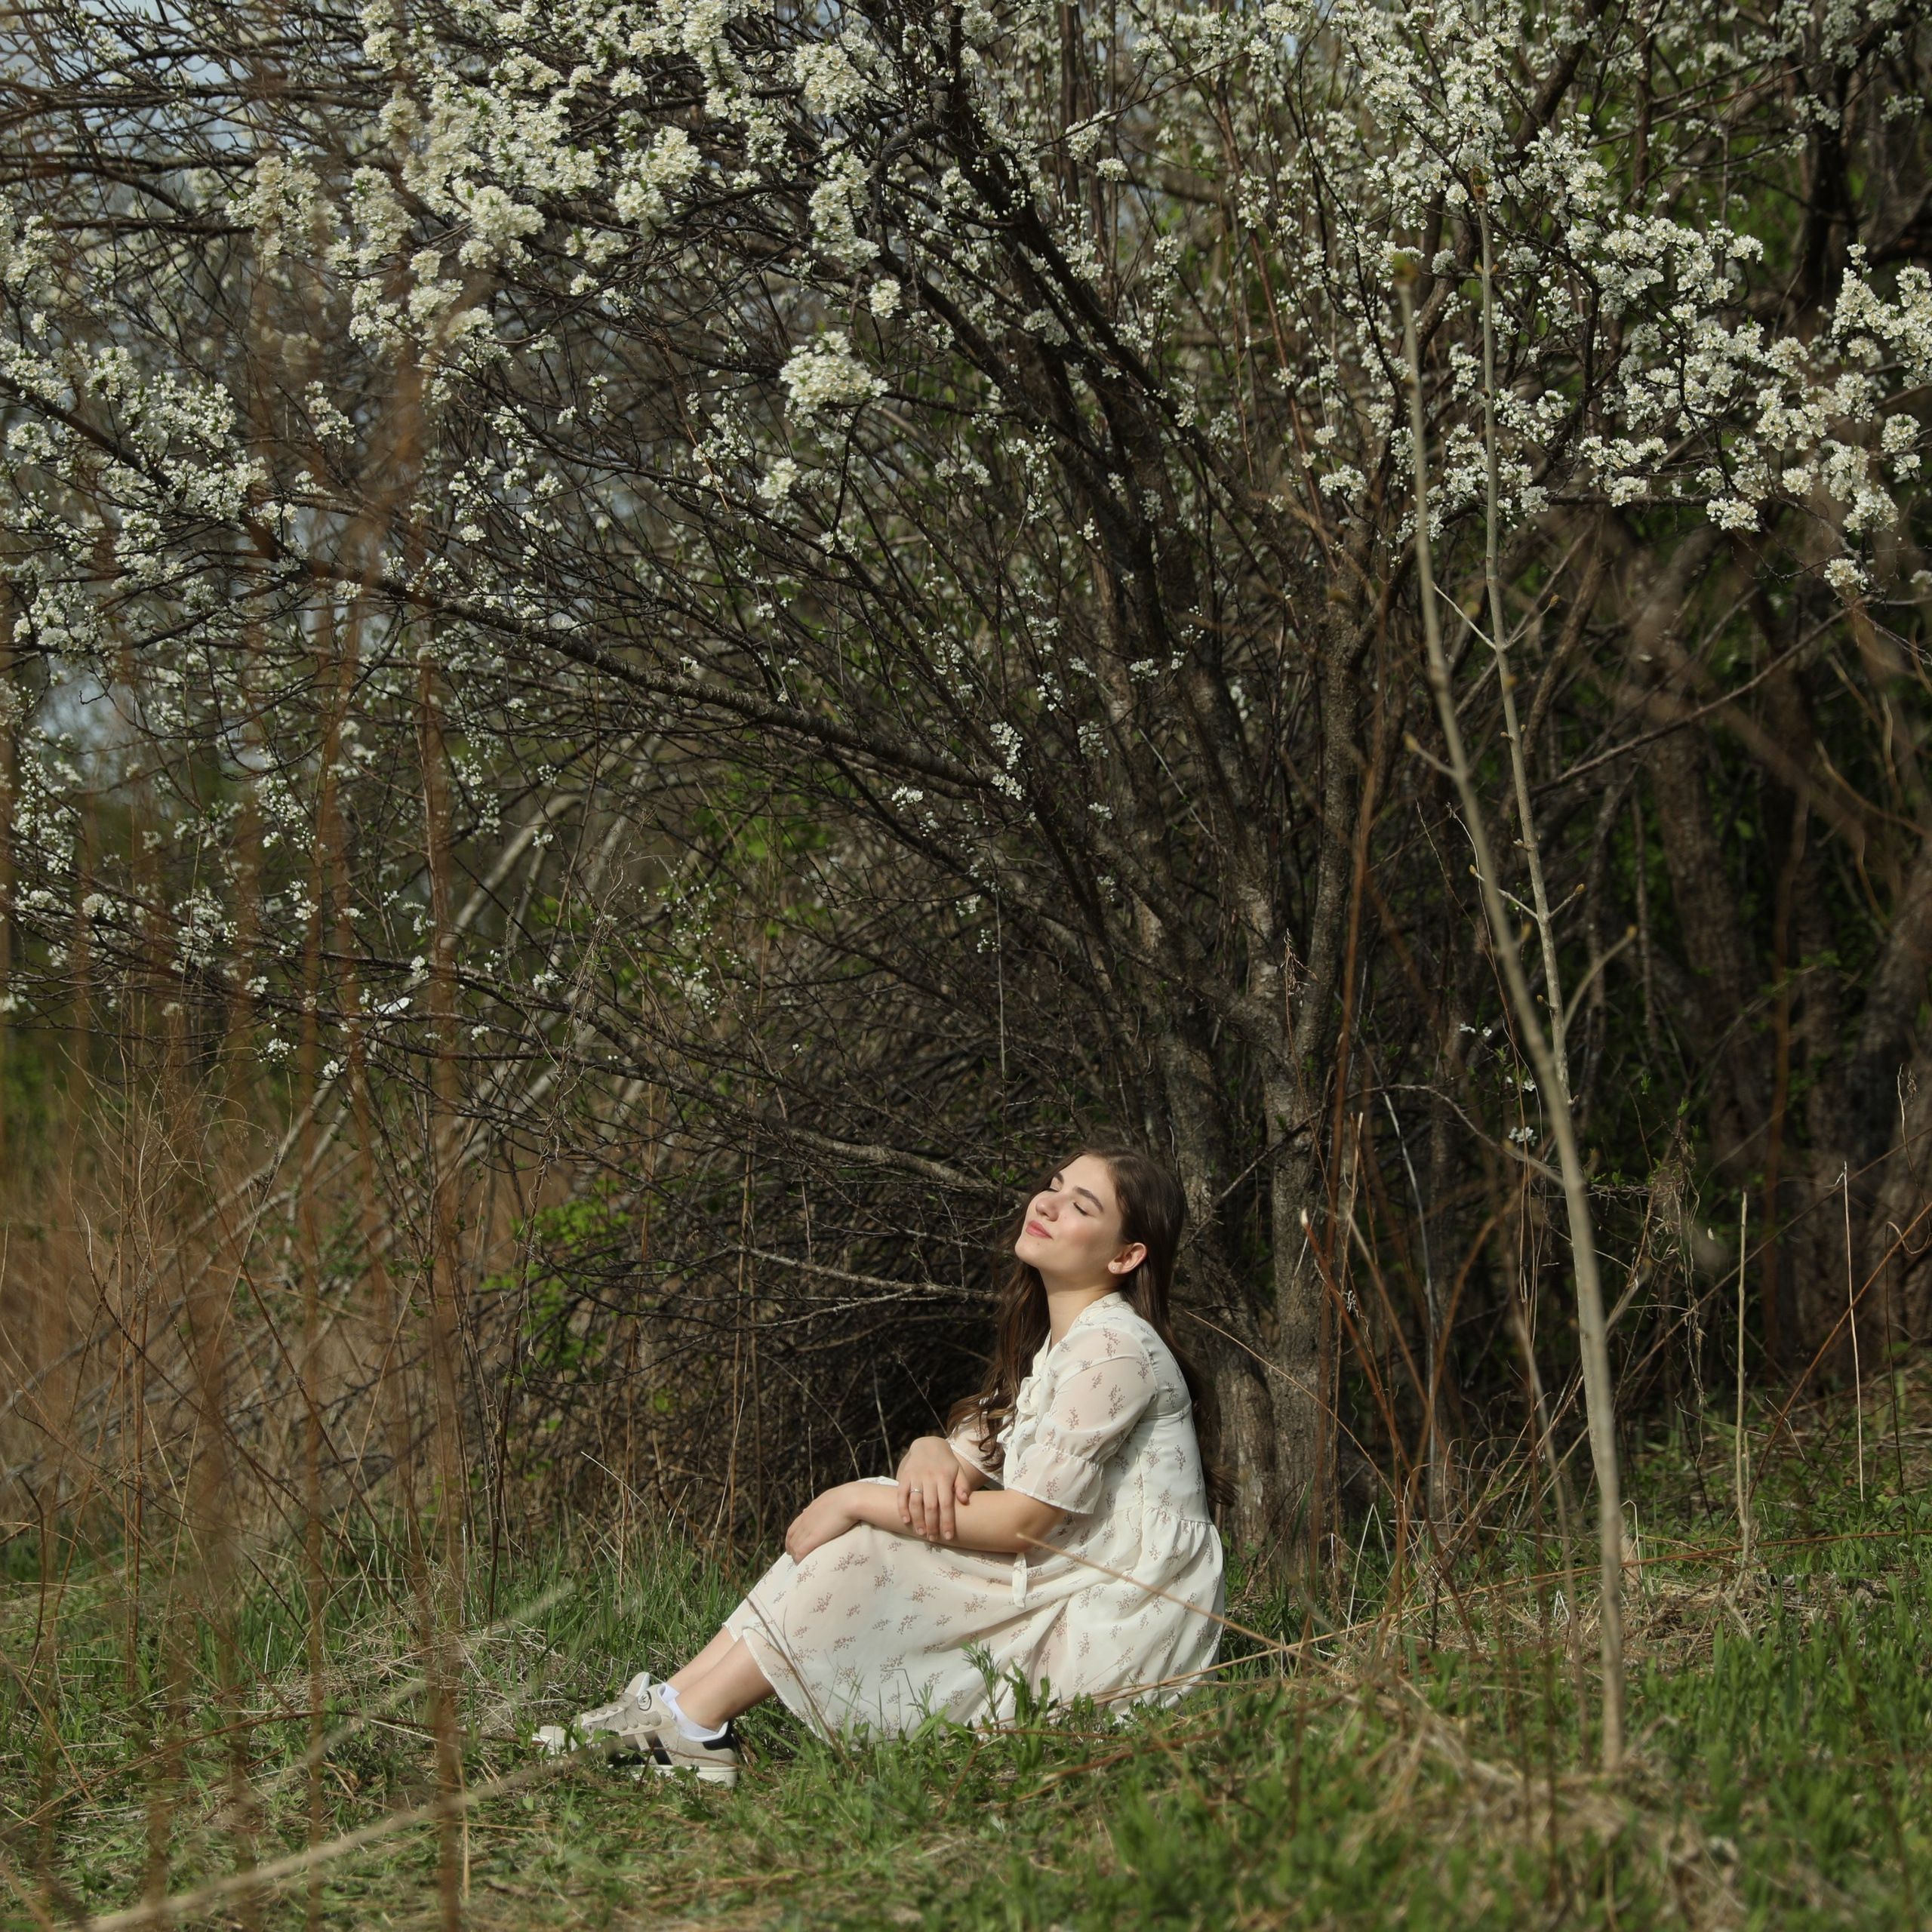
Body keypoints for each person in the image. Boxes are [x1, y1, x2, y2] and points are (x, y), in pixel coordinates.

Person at [542, 1146, 1225, 1786]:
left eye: (1081, 1207)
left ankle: (691, 1724)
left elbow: (1023, 1522)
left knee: (874, 1526)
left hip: (1116, 1619)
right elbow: (969, 1454)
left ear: (1127, 1255)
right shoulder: (1066, 1343)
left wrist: (855, 1500)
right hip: (1071, 1574)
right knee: (882, 1505)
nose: (1046, 1205)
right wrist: (925, 1450)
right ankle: (677, 1707)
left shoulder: (1114, 1351)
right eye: (1052, 1187)